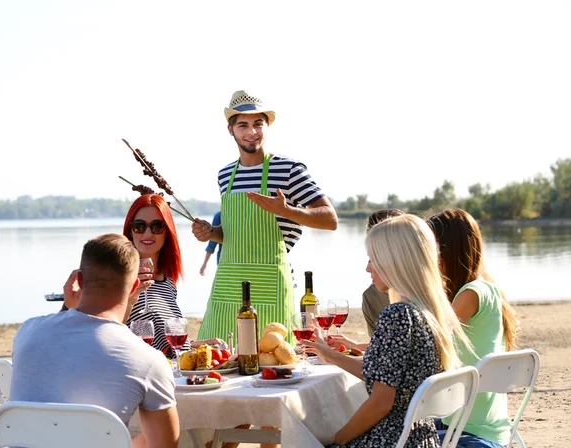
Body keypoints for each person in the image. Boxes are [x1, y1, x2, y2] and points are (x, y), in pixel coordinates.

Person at [302, 214, 472, 447]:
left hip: (389, 439)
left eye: (373, 259)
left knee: (304, 433)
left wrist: (337, 440)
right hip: (420, 438)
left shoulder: (398, 315)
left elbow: (382, 402)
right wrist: (330, 355)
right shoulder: (431, 311)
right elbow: (386, 375)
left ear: (395, 261)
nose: (367, 267)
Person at [192, 90, 338, 342]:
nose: (252, 132)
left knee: (276, 360)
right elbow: (235, 236)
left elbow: (329, 219)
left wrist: (286, 211)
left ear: (267, 126)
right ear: (231, 130)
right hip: (228, 285)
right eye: (243, 125)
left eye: (258, 124)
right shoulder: (225, 175)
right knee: (219, 358)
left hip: (271, 286)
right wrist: (210, 232)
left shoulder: (289, 169)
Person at [10, 234, 180, 448]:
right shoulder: (149, 360)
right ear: (135, 285)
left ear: (79, 280)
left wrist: (69, 308)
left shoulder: (27, 332)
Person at [428, 208, 520, 448]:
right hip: (468, 425)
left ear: (446, 250)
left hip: (471, 434)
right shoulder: (484, 288)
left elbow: (427, 337)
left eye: (428, 248)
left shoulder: (472, 293)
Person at [123, 194, 224, 356]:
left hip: (174, 370)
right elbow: (108, 331)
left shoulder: (167, 280)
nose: (148, 233)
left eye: (157, 226)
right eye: (139, 226)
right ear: (130, 231)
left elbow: (167, 343)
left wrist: (199, 344)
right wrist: (129, 300)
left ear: (167, 232)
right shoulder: (120, 275)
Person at [327, 209, 405, 352]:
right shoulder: (371, 297)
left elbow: (383, 365)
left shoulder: (402, 311)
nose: (367, 268)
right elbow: (383, 351)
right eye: (370, 258)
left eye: (374, 258)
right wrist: (355, 346)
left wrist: (329, 356)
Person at [200, 210, 222, 276]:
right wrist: (204, 264)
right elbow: (212, 243)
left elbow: (212, 244)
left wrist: (204, 264)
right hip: (223, 261)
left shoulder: (219, 215)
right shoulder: (220, 215)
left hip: (223, 262)